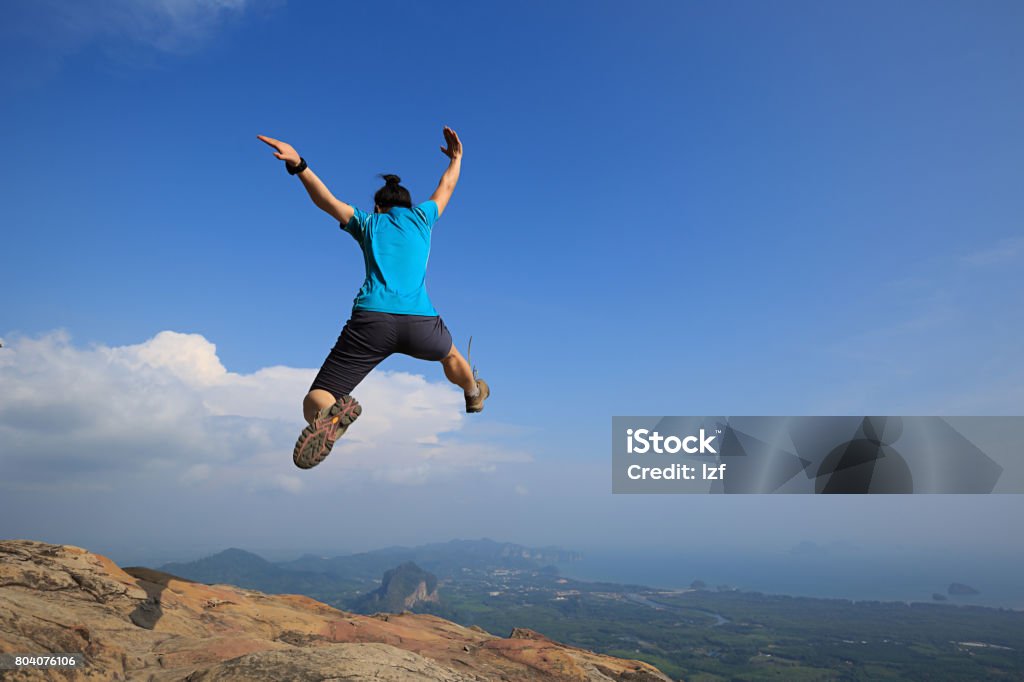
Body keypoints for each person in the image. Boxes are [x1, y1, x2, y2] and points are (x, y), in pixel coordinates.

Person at [257, 127, 489, 470]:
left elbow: (328, 201)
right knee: (451, 354)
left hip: (371, 322)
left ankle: (328, 417)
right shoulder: (423, 219)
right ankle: (473, 393)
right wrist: (456, 159)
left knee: (315, 397)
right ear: (409, 207)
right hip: (421, 323)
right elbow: (447, 186)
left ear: (378, 207)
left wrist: (299, 165)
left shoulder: (369, 223)